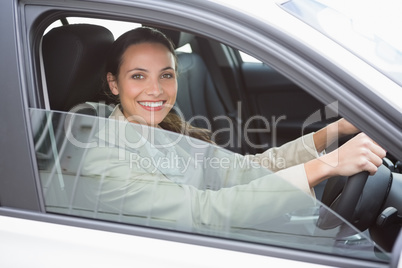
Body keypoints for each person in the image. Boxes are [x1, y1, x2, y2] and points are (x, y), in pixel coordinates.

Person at [80, 27, 386, 232]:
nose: (155, 90)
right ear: (113, 83)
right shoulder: (103, 160)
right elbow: (203, 212)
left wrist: (330, 134)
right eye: (138, 76)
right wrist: (325, 166)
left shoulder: (166, 130)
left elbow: (240, 171)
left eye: (166, 75)